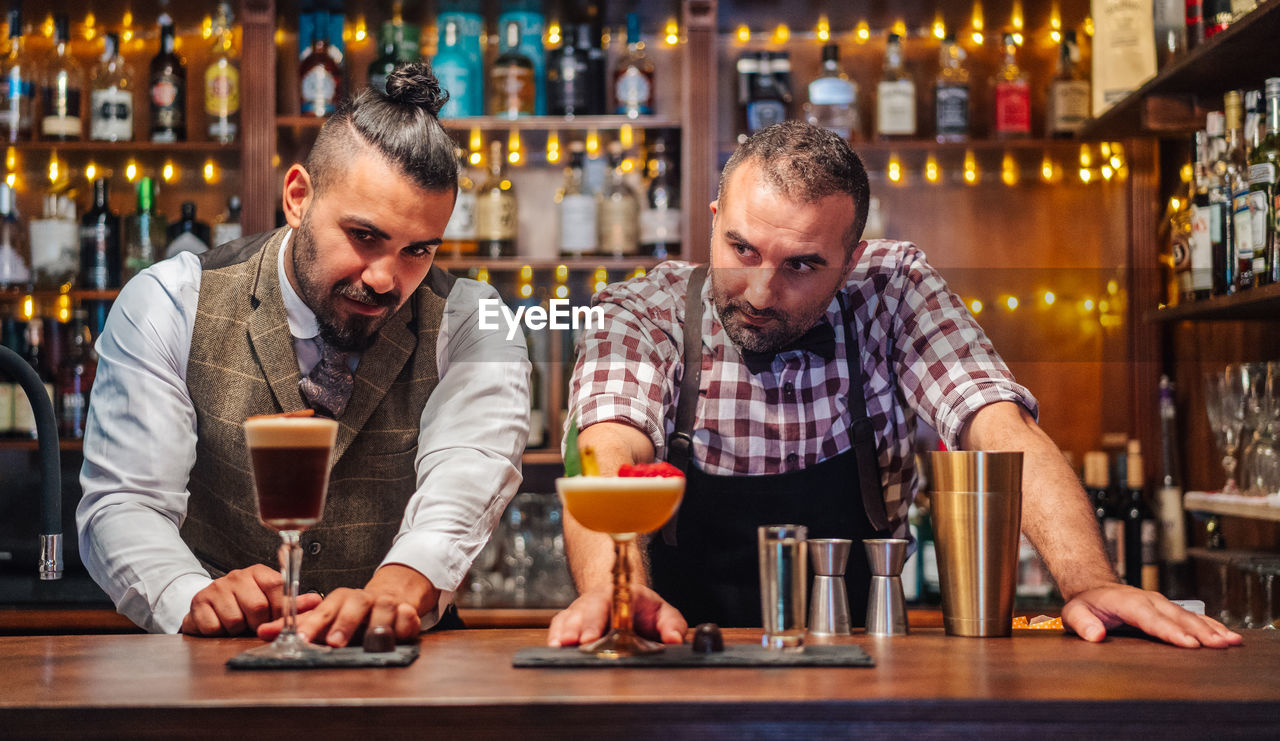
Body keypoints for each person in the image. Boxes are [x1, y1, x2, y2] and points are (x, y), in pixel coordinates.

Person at [549, 120, 1240, 650]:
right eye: (742, 249)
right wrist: (621, 590)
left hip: (868, 667)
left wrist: (1089, 580)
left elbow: (996, 424)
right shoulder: (642, 309)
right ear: (713, 221)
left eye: (802, 265)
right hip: (678, 659)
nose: (761, 289)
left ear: (851, 259)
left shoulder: (894, 288)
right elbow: (608, 447)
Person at [78, 63, 530, 646]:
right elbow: (125, 500)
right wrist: (187, 594)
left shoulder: (472, 321)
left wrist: (397, 588)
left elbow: (468, 472)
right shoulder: (172, 300)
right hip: (211, 661)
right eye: (365, 236)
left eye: (417, 250)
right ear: (298, 197)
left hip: (403, 662)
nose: (386, 278)